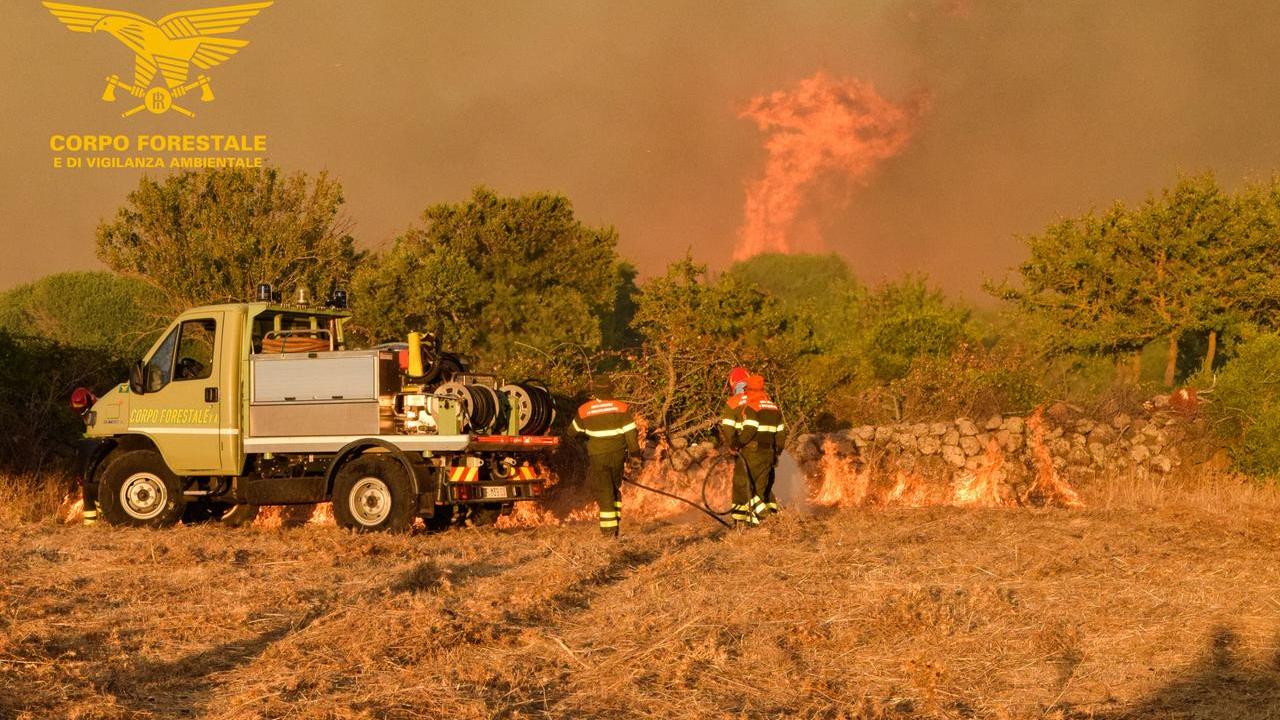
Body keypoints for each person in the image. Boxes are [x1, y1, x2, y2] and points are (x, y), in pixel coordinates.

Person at [571, 389, 640, 537]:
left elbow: (572, 432)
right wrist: (635, 456)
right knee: (614, 488)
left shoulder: (585, 409)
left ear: (595, 392)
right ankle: (616, 521)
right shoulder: (621, 407)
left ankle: (609, 532)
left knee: (605, 491)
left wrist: (586, 438)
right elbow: (631, 434)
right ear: (610, 389)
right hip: (618, 454)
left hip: (598, 455)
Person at [718, 366, 767, 528]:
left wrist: (733, 445)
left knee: (742, 484)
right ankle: (762, 517)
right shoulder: (762, 398)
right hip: (766, 448)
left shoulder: (733, 402)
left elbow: (728, 428)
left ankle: (744, 521)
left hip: (746, 448)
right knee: (760, 484)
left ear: (733, 384)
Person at [743, 374, 786, 520]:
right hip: (770, 452)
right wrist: (777, 451)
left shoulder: (752, 407)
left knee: (748, 487)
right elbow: (781, 433)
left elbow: (749, 431)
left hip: (754, 452)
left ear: (749, 389)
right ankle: (765, 516)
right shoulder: (774, 408)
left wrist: (737, 444)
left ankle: (764, 517)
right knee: (762, 487)